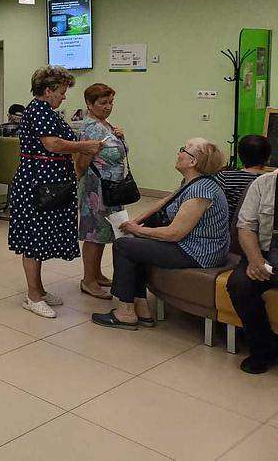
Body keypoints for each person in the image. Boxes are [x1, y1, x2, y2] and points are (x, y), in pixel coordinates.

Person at [92, 138, 229, 330]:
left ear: (193, 161)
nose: (179, 153)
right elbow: (165, 201)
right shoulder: (194, 181)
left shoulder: (201, 190)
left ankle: (125, 312)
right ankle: (141, 306)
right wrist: (136, 222)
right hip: (193, 245)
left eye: (184, 149)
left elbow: (174, 234)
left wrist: (137, 229)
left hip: (199, 252)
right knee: (137, 243)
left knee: (124, 246)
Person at [8, 66, 103, 318]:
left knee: (41, 237)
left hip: (49, 182)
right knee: (33, 239)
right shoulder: (39, 111)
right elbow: (53, 144)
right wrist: (84, 147)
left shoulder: (47, 111)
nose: (64, 96)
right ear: (48, 90)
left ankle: (39, 289)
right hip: (36, 184)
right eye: (61, 92)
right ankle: (32, 296)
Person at [75, 83, 127, 299]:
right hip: (96, 190)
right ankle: (88, 280)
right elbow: (81, 163)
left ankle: (96, 274)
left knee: (105, 232)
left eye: (111, 102)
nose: (108, 107)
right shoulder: (91, 129)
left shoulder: (106, 125)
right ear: (89, 104)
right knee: (94, 234)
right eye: (103, 103)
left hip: (111, 189)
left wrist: (121, 137)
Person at [227, 169, 278, 374]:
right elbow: (246, 226)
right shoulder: (263, 184)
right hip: (263, 252)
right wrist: (255, 259)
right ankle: (263, 348)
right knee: (240, 284)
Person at [215, 134, 271, 216]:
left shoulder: (224, 178)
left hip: (230, 223)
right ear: (268, 157)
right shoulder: (271, 181)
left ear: (239, 155)